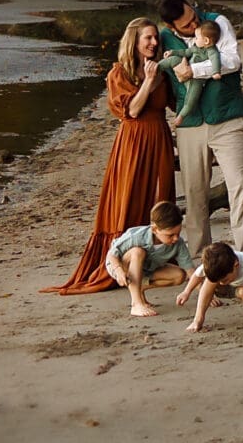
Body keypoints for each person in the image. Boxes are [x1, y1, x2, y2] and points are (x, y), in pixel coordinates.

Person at [43, 19, 178, 296]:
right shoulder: (120, 73)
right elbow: (134, 110)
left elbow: (175, 102)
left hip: (159, 138)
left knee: (159, 196)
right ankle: (123, 260)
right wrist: (149, 82)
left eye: (155, 38)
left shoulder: (163, 70)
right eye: (147, 39)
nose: (153, 43)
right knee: (129, 196)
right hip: (133, 141)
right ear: (134, 42)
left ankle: (152, 260)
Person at [160, 0, 243, 253]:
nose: (194, 24)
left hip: (228, 118)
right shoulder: (164, 39)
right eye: (186, 24)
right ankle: (201, 262)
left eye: (193, 16)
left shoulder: (218, 23)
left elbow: (232, 61)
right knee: (195, 196)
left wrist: (195, 71)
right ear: (172, 28)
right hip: (190, 125)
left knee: (240, 189)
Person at [104, 200, 198, 317]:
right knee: (138, 252)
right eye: (170, 235)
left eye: (178, 233)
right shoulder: (137, 236)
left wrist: (206, 293)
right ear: (154, 229)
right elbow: (111, 255)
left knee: (180, 275)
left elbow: (191, 271)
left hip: (147, 269)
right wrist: (118, 271)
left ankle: (139, 287)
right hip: (120, 265)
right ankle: (136, 303)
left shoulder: (178, 243)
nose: (175, 238)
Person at [176, 240, 243, 332]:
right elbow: (197, 275)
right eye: (220, 281)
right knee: (210, 281)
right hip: (220, 289)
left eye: (224, 280)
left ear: (236, 265)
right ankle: (198, 319)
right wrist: (187, 291)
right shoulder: (213, 264)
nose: (221, 283)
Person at [167, 19, 223, 129]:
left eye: (197, 38)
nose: (195, 39)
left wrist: (216, 72)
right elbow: (185, 52)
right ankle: (158, 66)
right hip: (186, 74)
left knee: (191, 98)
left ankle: (181, 116)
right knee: (171, 60)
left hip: (197, 80)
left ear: (206, 41)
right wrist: (172, 52)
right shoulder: (195, 47)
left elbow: (216, 60)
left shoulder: (212, 51)